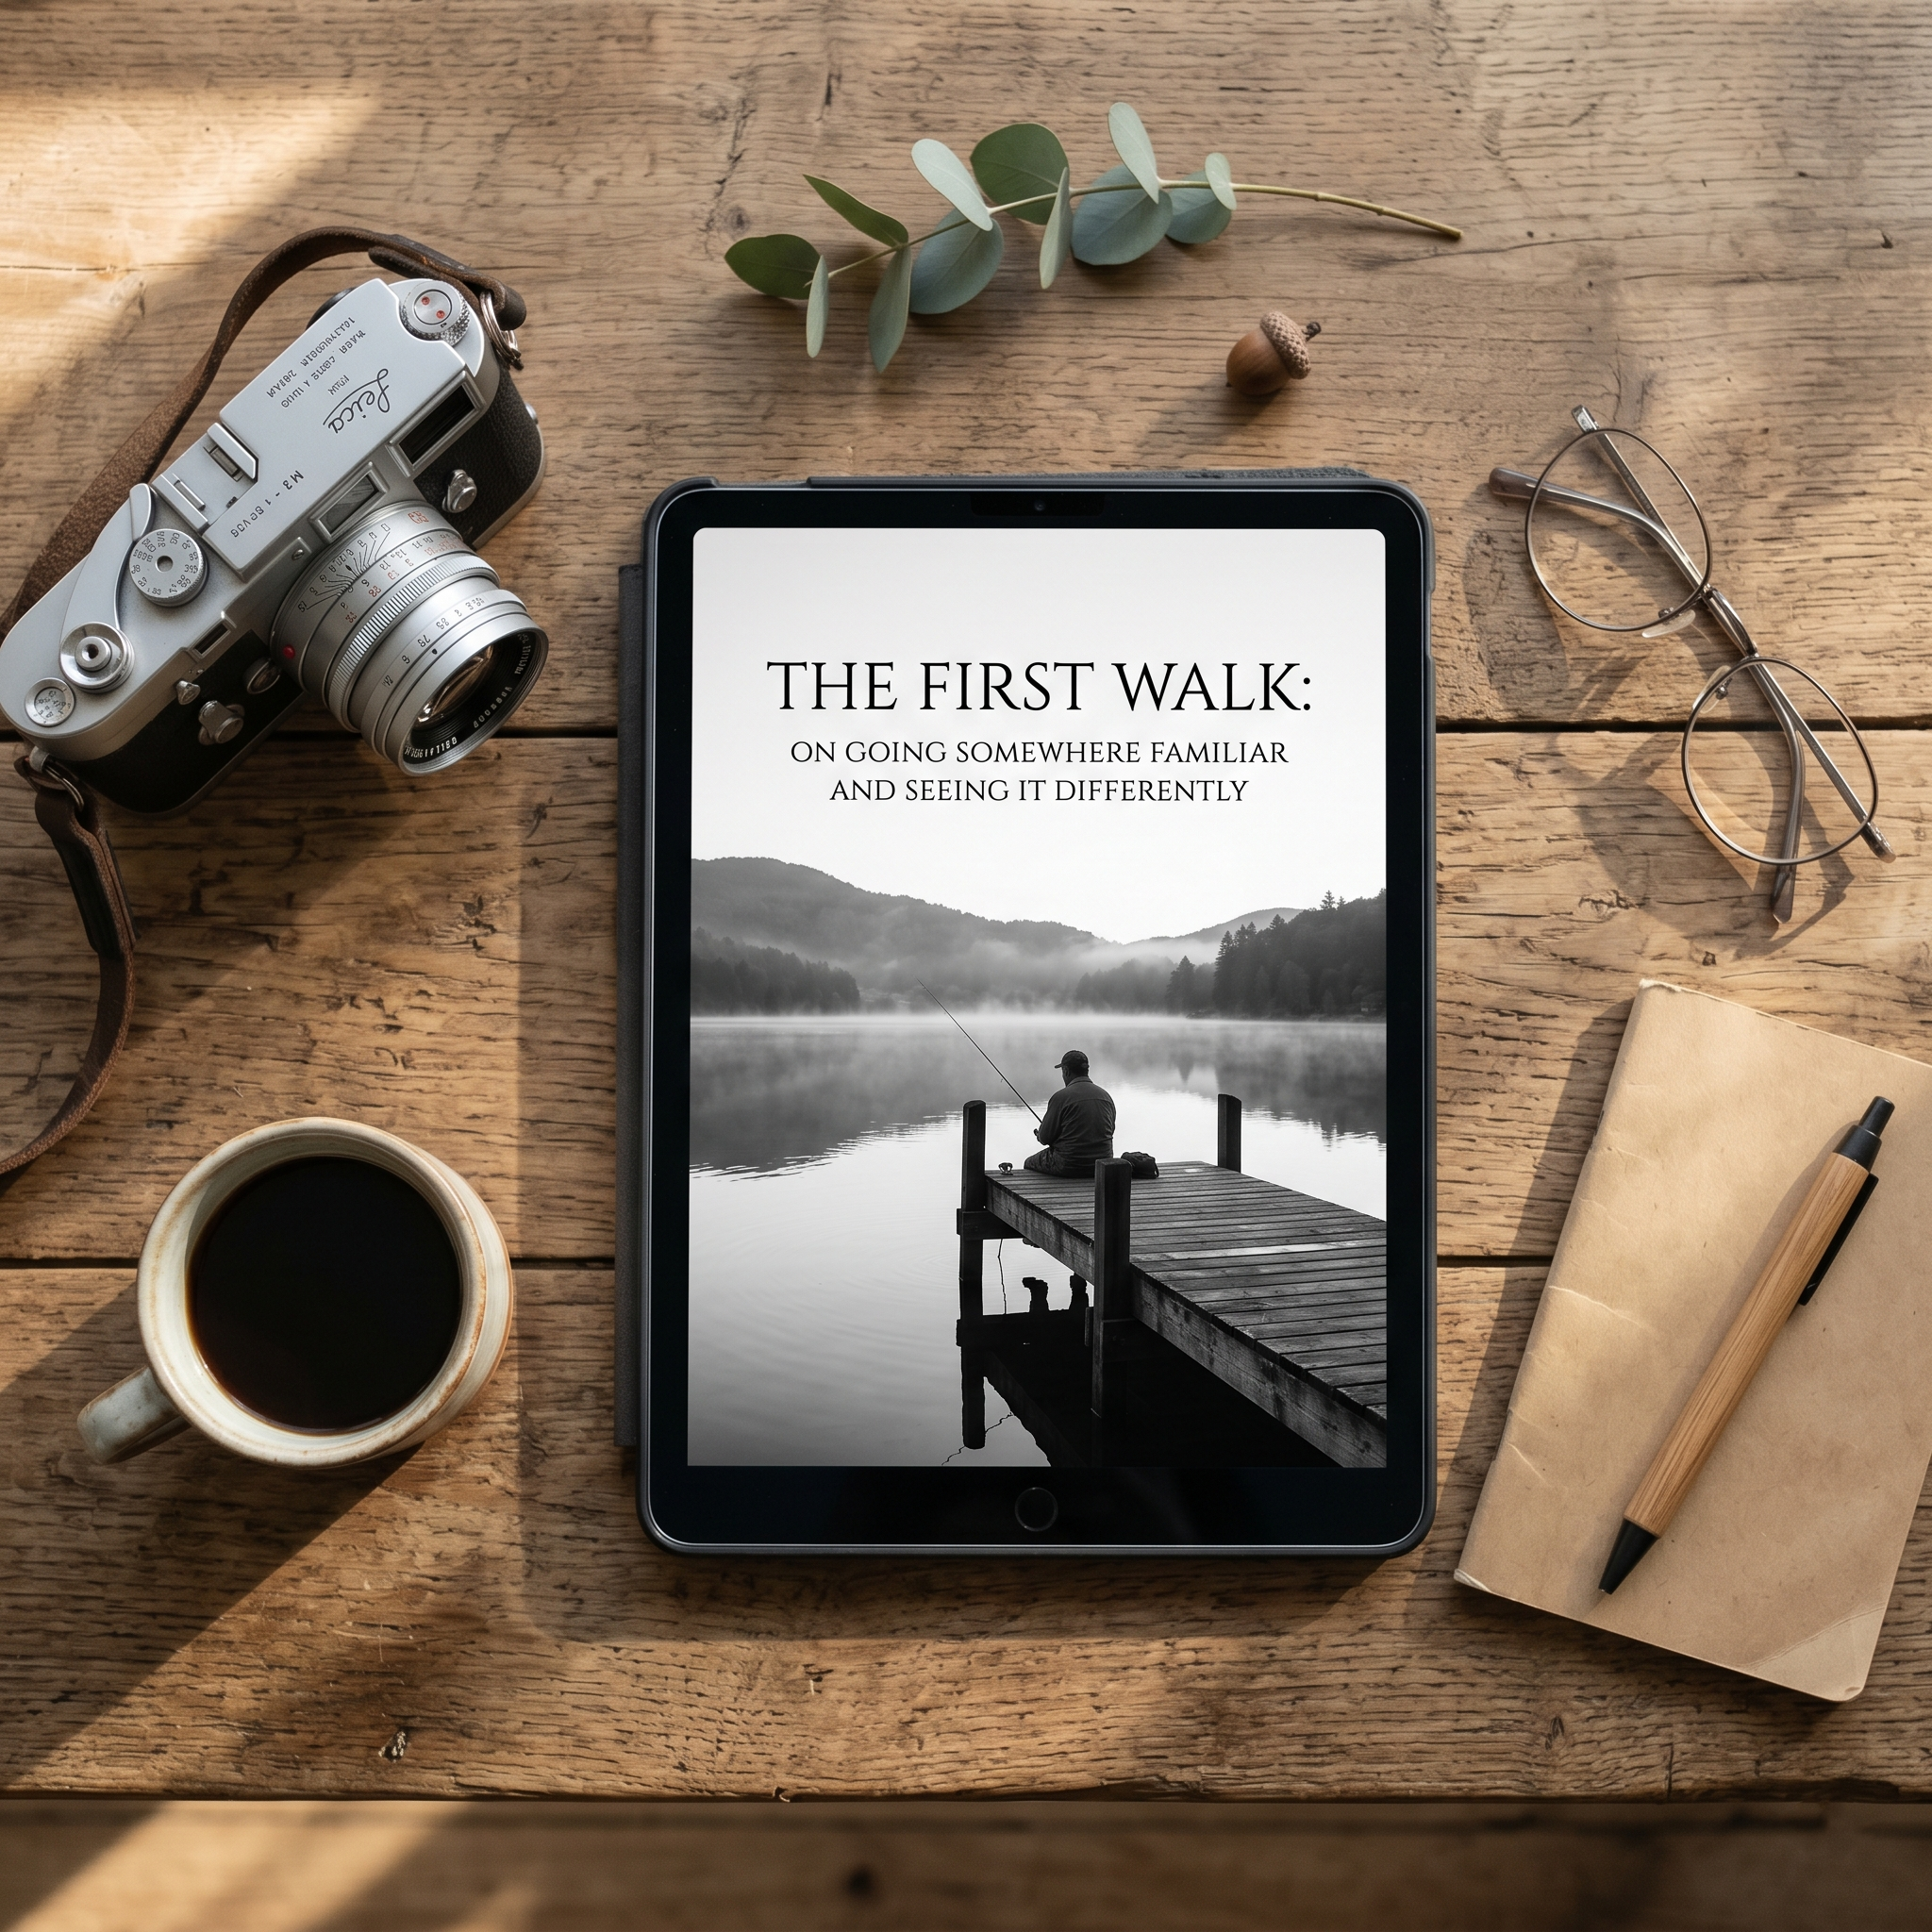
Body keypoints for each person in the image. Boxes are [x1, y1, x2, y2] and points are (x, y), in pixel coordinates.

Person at [1022, 1050, 1116, 1178]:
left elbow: (1045, 1138)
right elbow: (1110, 1131)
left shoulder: (1060, 1097)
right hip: (1103, 1164)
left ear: (1066, 1071)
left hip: (1068, 1165)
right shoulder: (1106, 1096)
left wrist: (1040, 1136)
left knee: (1028, 1162)